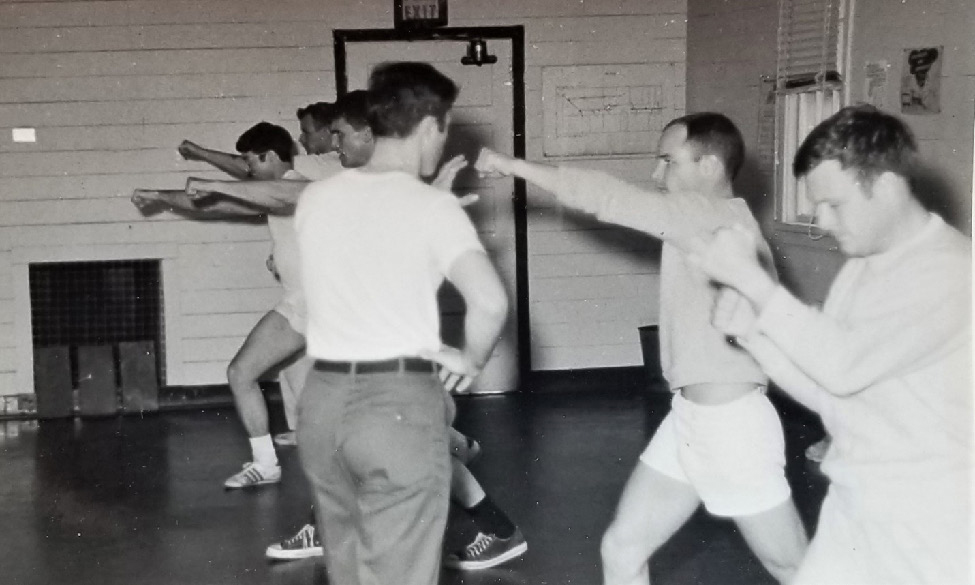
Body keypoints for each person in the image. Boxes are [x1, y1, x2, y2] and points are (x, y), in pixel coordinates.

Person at [191, 88, 525, 572]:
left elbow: (290, 193)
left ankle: (480, 529)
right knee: (367, 449)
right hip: (362, 354)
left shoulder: (348, 177)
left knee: (377, 457)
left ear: (368, 134)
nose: (330, 142)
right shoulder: (375, 183)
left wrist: (467, 358)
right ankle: (491, 527)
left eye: (339, 134)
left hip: (384, 360)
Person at [475, 112, 808, 585]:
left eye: (667, 161)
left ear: (709, 165)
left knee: (795, 567)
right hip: (691, 420)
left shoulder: (704, 215)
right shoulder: (723, 218)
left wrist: (514, 165)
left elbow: (607, 198)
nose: (657, 175)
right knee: (623, 547)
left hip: (731, 426)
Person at [690, 104, 972, 585]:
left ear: (885, 186)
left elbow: (843, 365)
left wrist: (754, 284)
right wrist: (755, 337)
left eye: (834, 204)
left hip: (928, 519)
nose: (821, 221)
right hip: (856, 504)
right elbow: (829, 391)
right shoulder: (863, 266)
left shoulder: (950, 271)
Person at [294, 61, 508, 585]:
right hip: (395, 406)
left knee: (348, 567)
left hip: (321, 403)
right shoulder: (431, 208)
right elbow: (490, 302)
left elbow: (365, 277)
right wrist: (471, 358)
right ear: (432, 126)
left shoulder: (316, 199)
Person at [133, 120, 342, 488]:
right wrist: (162, 196)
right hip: (300, 304)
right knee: (241, 373)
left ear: (272, 157)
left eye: (252, 162)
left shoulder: (307, 188)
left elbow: (280, 196)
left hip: (335, 306)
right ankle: (265, 464)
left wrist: (214, 184)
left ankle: (449, 448)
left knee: (369, 396)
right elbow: (216, 207)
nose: (248, 170)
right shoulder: (271, 192)